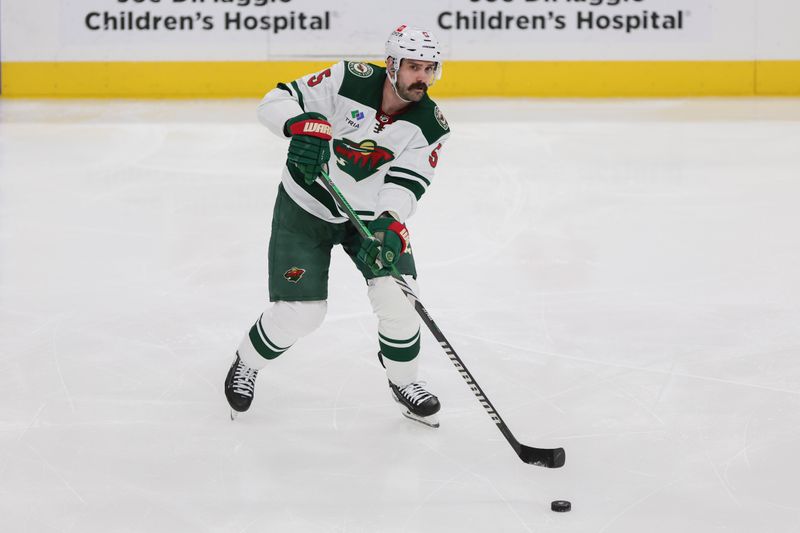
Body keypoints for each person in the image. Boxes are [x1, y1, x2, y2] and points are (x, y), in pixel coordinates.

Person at [224, 24, 450, 428]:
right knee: (301, 313)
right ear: (392, 65)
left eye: (430, 68)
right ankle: (248, 361)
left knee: (401, 297)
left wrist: (389, 224)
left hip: (367, 217)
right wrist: (299, 124)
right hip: (306, 204)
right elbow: (274, 101)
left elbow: (406, 183)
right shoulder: (348, 79)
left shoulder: (430, 125)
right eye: (414, 67)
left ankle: (404, 383)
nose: (423, 78)